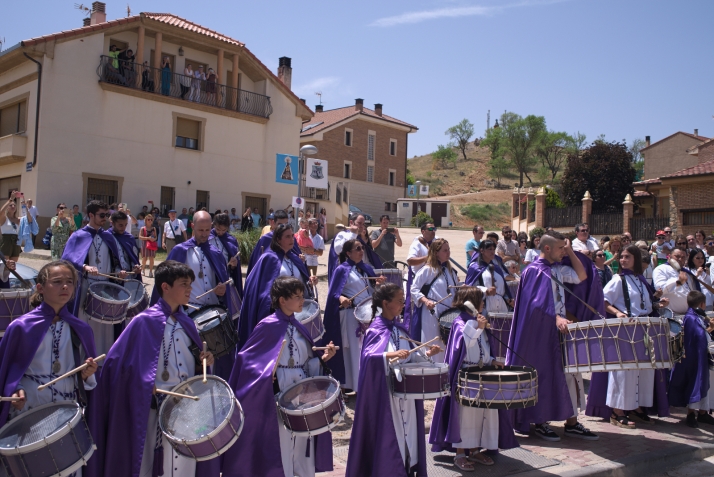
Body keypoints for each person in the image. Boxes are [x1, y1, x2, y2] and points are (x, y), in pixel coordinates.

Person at [87, 260, 214, 477]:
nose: (190, 289)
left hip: (186, 409)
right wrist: (143, 384)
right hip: (153, 408)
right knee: (152, 465)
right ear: (165, 287)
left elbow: (194, 363)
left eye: (190, 284)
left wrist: (206, 360)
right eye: (184, 284)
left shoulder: (188, 323)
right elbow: (117, 365)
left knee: (184, 466)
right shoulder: (143, 322)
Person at [222, 276, 336, 477]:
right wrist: (265, 375)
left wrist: (323, 358)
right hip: (279, 391)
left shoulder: (300, 325)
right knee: (282, 441)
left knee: (302, 442)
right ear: (282, 300)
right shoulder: (267, 326)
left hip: (303, 390)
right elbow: (247, 361)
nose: (302, 300)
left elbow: (308, 361)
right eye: (297, 296)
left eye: (302, 295)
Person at [506, 231, 599, 441]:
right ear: (547, 249)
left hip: (559, 330)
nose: (562, 252)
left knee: (569, 375)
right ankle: (539, 421)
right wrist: (555, 317)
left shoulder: (556, 269)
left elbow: (582, 276)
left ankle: (572, 422)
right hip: (539, 333)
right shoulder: (533, 272)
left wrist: (571, 251)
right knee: (542, 373)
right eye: (559, 248)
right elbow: (534, 306)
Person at [345, 283, 441, 477]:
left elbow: (412, 356)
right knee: (393, 435)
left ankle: (406, 469)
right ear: (386, 303)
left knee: (409, 438)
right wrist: (388, 356)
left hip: (406, 395)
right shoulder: (375, 330)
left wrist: (428, 353)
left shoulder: (400, 329)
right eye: (399, 300)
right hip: (387, 397)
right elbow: (369, 359)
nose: (403, 303)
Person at [0, 260, 98, 445]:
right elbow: (8, 372)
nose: (65, 286)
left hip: (67, 409)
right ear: (40, 288)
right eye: (57, 281)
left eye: (70, 282)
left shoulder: (81, 329)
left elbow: (87, 382)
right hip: (30, 408)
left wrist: (87, 376)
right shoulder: (21, 327)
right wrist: (15, 390)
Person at [429, 286, 518, 470]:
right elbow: (464, 343)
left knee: (483, 414)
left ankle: (476, 450)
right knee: (466, 416)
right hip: (466, 376)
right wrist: (479, 326)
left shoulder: (477, 321)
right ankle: (460, 453)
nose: (483, 303)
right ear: (471, 303)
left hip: (483, 373)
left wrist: (492, 360)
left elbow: (483, 347)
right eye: (481, 300)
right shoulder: (460, 322)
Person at [151, 211, 237, 380]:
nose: (204, 234)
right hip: (189, 314)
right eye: (200, 230)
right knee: (193, 361)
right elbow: (167, 284)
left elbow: (223, 280)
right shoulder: (179, 251)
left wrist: (221, 289)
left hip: (213, 315)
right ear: (192, 227)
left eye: (207, 230)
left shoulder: (216, 253)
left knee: (217, 361)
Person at [603, 245, 670, 428]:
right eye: (622, 257)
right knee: (624, 371)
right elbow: (604, 301)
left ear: (637, 261)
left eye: (627, 257)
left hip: (644, 329)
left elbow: (645, 306)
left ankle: (635, 407)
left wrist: (658, 304)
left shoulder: (641, 280)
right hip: (626, 330)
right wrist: (617, 313)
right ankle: (617, 412)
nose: (623, 260)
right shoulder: (618, 279)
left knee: (644, 371)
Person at [322, 239, 385, 393]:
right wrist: (341, 298)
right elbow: (334, 293)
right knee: (352, 350)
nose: (361, 250)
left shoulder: (365, 268)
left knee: (365, 348)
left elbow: (369, 290)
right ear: (348, 253)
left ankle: (365, 384)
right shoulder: (342, 269)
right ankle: (353, 386)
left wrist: (377, 285)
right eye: (357, 248)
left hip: (366, 315)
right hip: (350, 315)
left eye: (362, 248)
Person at [62, 200, 124, 357]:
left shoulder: (109, 237)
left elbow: (116, 261)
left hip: (106, 289)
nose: (105, 218)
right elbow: (67, 261)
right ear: (90, 215)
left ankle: (103, 363)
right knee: (85, 324)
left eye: (106, 215)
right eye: (101, 215)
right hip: (85, 288)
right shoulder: (78, 236)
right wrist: (84, 267)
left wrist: (119, 272)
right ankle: (84, 361)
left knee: (106, 327)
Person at [239, 223, 318, 347]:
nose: (292, 239)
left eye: (292, 236)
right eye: (287, 237)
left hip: (296, 314)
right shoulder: (268, 259)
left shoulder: (295, 258)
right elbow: (261, 288)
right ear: (278, 239)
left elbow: (302, 284)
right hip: (276, 313)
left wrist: (310, 282)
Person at [669, 291, 714, 428]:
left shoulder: (696, 316)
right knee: (695, 382)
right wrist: (711, 329)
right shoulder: (691, 318)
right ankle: (691, 414)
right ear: (702, 304)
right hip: (694, 358)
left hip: (699, 356)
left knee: (706, 383)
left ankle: (703, 412)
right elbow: (701, 336)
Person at [410, 239, 458, 362]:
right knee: (434, 341)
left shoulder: (450, 271)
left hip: (448, 314)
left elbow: (454, 290)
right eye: (445, 250)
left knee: (446, 346)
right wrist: (426, 301)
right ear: (436, 253)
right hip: (432, 313)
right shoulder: (427, 269)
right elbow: (414, 289)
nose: (448, 253)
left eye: (449, 250)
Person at [465, 240, 514, 318]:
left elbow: (504, 288)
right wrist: (486, 291)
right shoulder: (475, 268)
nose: (492, 251)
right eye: (489, 249)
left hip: (501, 306)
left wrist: (508, 299)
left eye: (494, 249)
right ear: (482, 251)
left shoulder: (497, 268)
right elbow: (469, 289)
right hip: (484, 306)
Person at [327, 214, 382, 281]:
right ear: (351, 223)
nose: (362, 226)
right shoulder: (342, 235)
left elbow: (366, 261)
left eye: (363, 224)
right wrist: (353, 234)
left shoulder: (360, 239)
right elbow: (339, 250)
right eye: (359, 223)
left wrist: (374, 271)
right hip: (346, 277)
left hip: (360, 276)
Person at [247, 210, 301, 275]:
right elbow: (256, 262)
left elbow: (296, 255)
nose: (284, 227)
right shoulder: (265, 239)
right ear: (273, 223)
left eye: (286, 224)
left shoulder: (291, 238)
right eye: (280, 225)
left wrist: (300, 258)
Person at [209, 212, 244, 299]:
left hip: (225, 277)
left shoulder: (231, 240)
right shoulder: (207, 238)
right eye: (218, 229)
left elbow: (234, 266)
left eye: (223, 230)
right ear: (213, 225)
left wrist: (233, 265)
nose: (220, 232)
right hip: (210, 277)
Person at [654, 248, 694, 314]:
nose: (680, 259)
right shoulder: (661, 269)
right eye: (677, 256)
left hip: (688, 314)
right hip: (671, 315)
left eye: (683, 257)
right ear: (669, 256)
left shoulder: (687, 272)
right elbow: (659, 289)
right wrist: (678, 282)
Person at [109, 211, 142, 279]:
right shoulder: (107, 237)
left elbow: (134, 256)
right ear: (112, 223)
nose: (124, 228)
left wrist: (135, 266)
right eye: (120, 225)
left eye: (125, 225)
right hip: (114, 277)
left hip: (129, 277)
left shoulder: (129, 238)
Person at [0, 192, 25, 261]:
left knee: (13, 265)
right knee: (4, 264)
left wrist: (24, 205)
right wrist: (11, 199)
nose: (13, 206)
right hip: (6, 241)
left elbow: (28, 219)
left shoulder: (18, 219)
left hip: (16, 241)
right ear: (7, 208)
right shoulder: (4, 218)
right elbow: (1, 212)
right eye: (11, 205)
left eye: (14, 205)